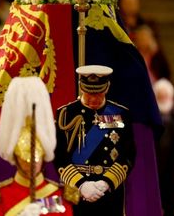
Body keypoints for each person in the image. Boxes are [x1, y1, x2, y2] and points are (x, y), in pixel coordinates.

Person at [0, 76, 74, 216]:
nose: (32, 163)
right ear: (16, 157)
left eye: (37, 157)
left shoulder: (60, 195)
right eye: (25, 158)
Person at [54, 65, 136, 216]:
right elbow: (60, 157)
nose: (93, 99)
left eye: (98, 93)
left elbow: (128, 155)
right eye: (88, 93)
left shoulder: (120, 113)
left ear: (107, 87)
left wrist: (106, 182)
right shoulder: (65, 114)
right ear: (80, 87)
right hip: (76, 191)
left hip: (109, 192)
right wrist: (81, 184)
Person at [152, 78, 174, 216]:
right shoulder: (150, 119)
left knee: (170, 204)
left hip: (171, 170)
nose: (163, 98)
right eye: (160, 95)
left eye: (166, 95)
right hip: (153, 168)